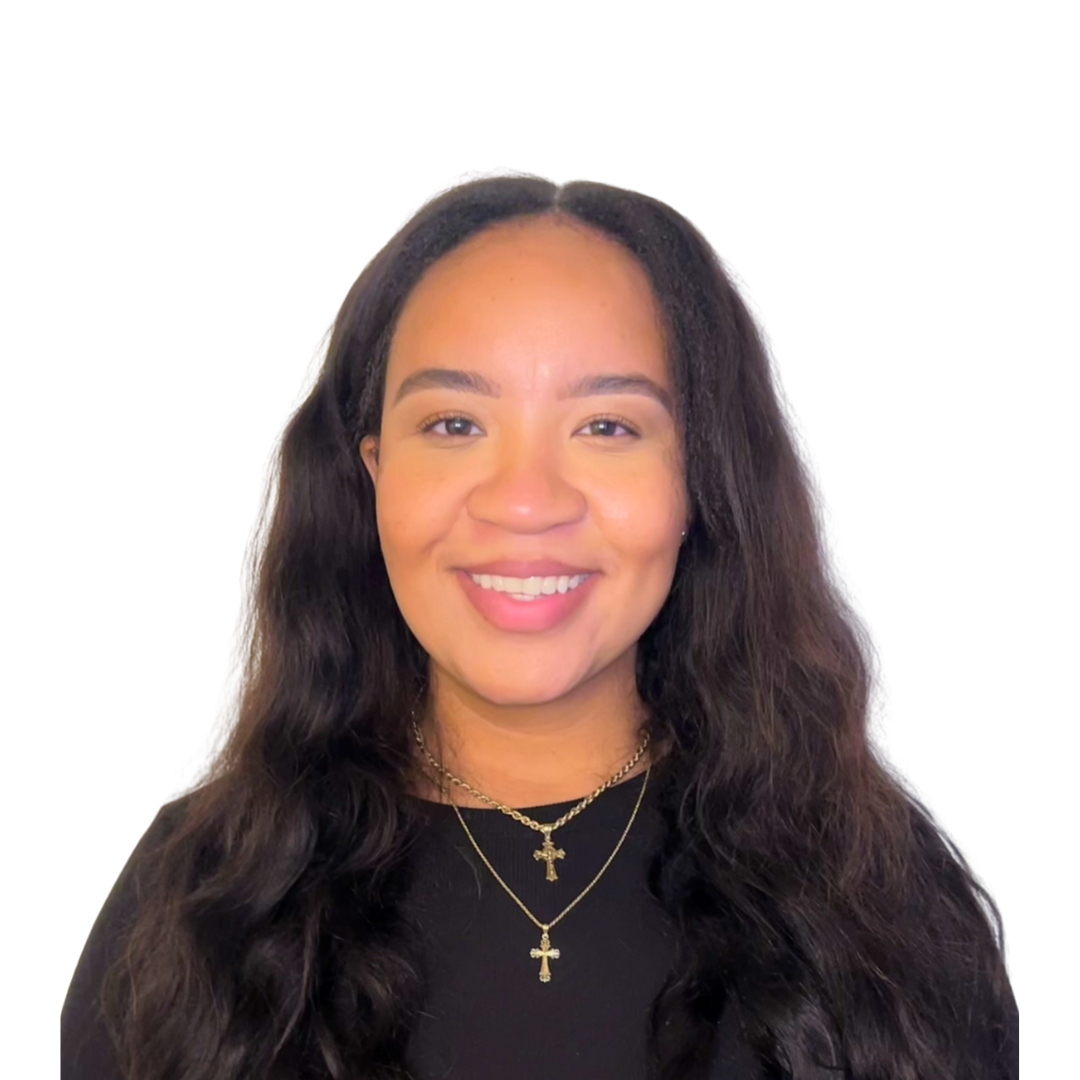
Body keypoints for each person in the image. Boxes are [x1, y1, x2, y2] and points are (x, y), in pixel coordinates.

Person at [61, 175, 1019, 1080]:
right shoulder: (200, 910)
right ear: (372, 473)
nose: (526, 503)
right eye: (454, 425)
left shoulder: (880, 910)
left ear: (700, 482)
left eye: (607, 427)